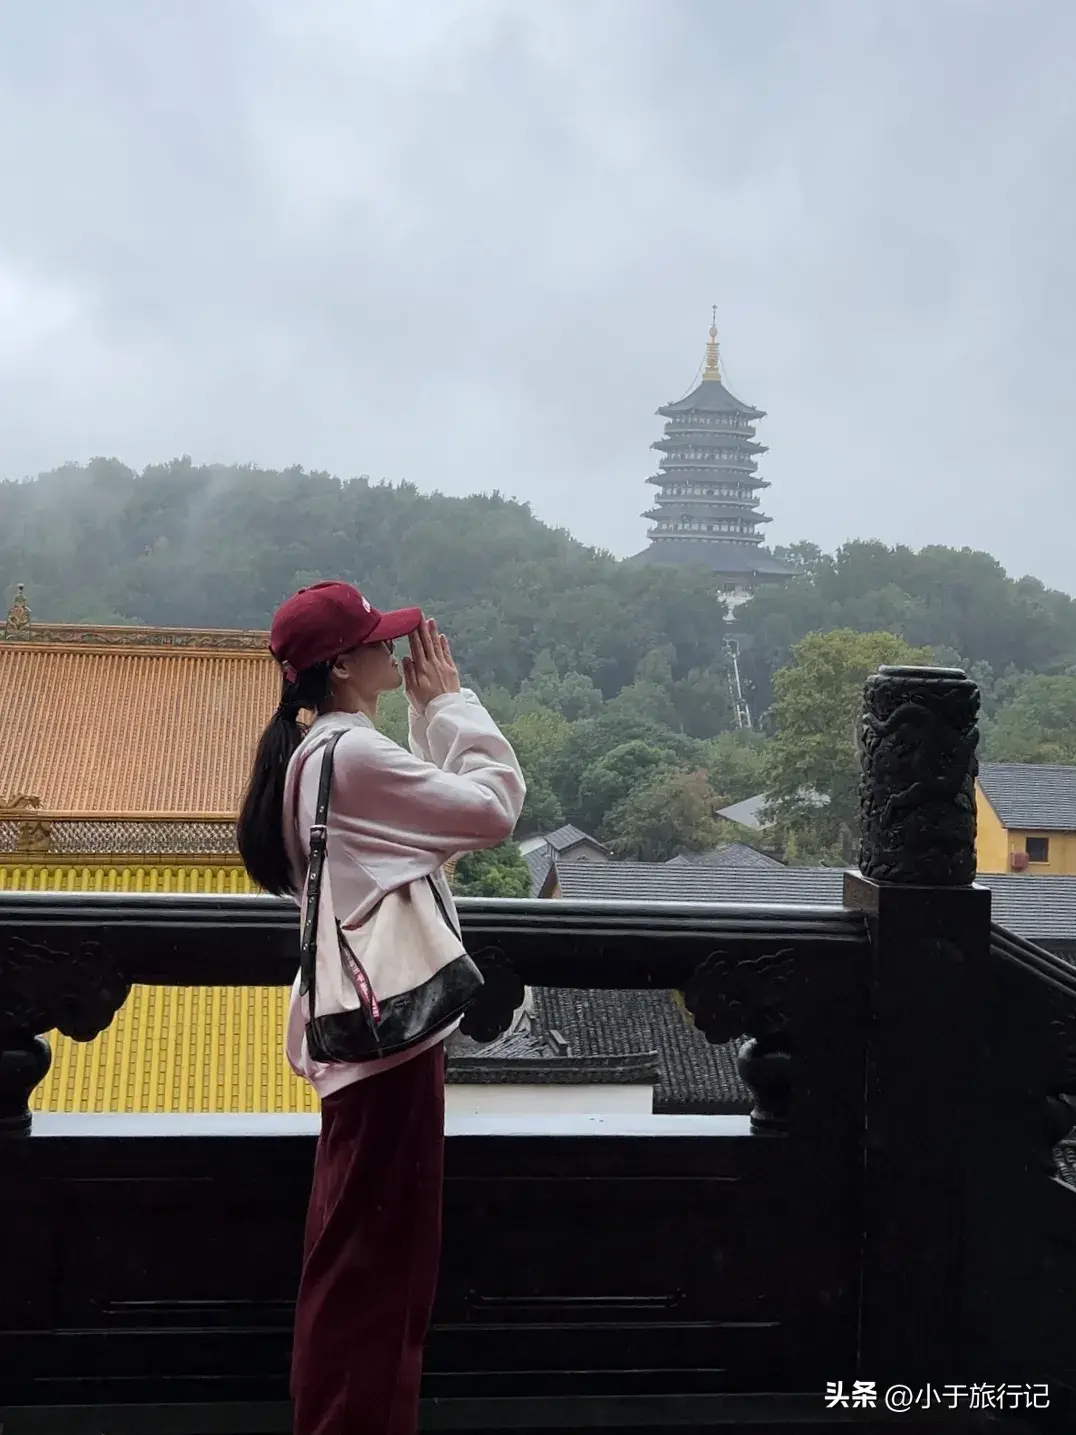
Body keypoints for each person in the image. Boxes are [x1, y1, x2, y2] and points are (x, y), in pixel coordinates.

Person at [236, 580, 525, 1435]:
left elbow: (416, 832)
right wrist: (452, 705)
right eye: (378, 642)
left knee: (357, 1263)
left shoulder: (316, 755)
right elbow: (494, 809)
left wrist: (424, 719)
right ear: (342, 664)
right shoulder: (349, 756)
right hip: (387, 1051)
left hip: (359, 1047)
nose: (396, 653)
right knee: (380, 1273)